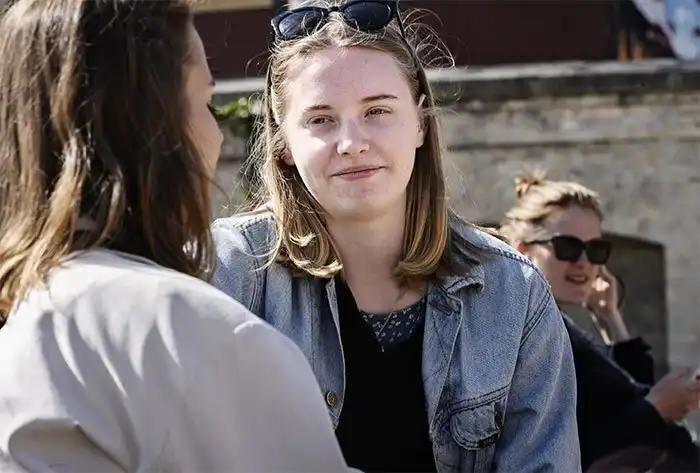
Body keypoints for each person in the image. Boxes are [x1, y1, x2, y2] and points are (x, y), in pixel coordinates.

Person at [211, 1, 581, 471]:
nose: (352, 143)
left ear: (421, 123)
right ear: (283, 142)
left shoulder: (512, 293)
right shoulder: (232, 272)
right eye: (321, 119)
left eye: (377, 111)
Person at [0, 1, 352, 472]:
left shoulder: (32, 312)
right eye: (206, 103)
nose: (218, 137)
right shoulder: (193, 334)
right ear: (153, 127)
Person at [500, 170, 700, 472]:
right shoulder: (525, 337)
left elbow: (629, 399)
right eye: (568, 247)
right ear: (523, 251)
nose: (583, 263)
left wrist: (610, 318)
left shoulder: (557, 328)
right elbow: (568, 448)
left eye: (595, 250)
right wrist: (658, 408)